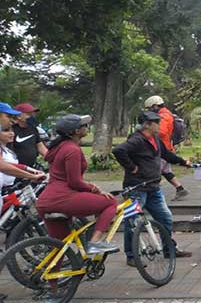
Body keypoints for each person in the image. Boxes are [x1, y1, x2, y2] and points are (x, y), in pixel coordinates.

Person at [112, 111, 192, 267]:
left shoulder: (155, 138)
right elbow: (118, 151)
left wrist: (183, 162)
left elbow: (167, 155)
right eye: (157, 122)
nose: (160, 124)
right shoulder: (137, 140)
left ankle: (169, 249)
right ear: (147, 125)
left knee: (165, 218)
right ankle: (131, 255)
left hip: (153, 187)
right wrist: (132, 167)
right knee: (133, 222)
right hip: (137, 188)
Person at [35, 115, 119, 254]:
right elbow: (74, 182)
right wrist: (94, 189)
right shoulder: (72, 149)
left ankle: (50, 275)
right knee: (110, 202)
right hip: (63, 197)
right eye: (83, 126)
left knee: (59, 248)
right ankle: (95, 242)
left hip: (46, 200)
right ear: (74, 131)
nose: (86, 127)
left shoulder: (58, 147)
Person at [143, 95, 189, 201]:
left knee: (154, 172)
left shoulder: (163, 116)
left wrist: (148, 131)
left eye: (150, 108)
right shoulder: (166, 114)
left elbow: (162, 132)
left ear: (155, 106)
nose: (149, 111)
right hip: (166, 146)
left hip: (161, 148)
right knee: (166, 171)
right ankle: (180, 188)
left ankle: (153, 195)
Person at [0, 102, 45, 189]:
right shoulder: (13, 130)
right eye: (8, 116)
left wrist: (29, 170)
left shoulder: (33, 129)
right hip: (13, 177)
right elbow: (2, 165)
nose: (11, 120)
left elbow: (6, 164)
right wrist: (31, 175)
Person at [11, 103, 48, 167]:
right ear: (19, 116)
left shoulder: (33, 129)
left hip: (31, 167)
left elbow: (40, 146)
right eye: (29, 114)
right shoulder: (11, 130)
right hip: (16, 168)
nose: (32, 117)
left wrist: (52, 158)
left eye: (33, 114)